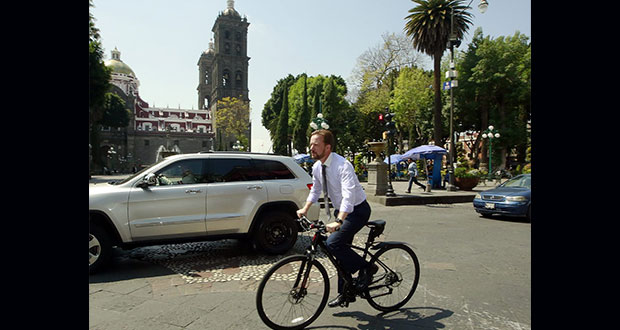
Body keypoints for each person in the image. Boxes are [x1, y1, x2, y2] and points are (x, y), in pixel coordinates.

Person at [296, 129, 377, 308]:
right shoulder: (317, 167)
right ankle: (345, 294)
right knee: (340, 253)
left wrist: (339, 221)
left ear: (328, 147)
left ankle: (367, 268)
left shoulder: (343, 165)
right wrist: (305, 208)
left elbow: (348, 195)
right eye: (311, 144)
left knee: (334, 243)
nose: (312, 148)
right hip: (341, 211)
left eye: (316, 145)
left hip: (357, 210)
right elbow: (316, 190)